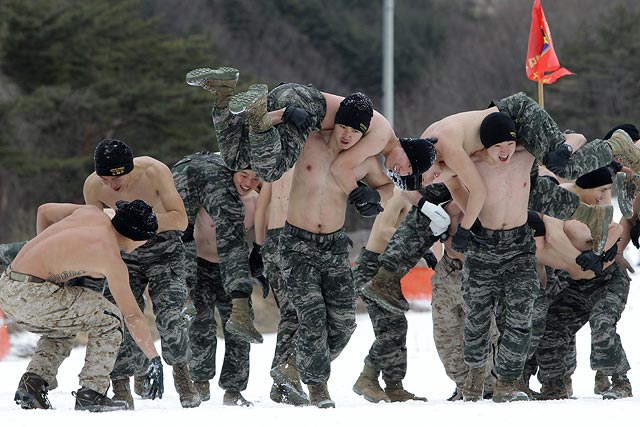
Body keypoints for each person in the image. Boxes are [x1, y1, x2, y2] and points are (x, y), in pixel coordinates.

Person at [185, 67, 437, 217]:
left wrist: (373, 196)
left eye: (406, 173)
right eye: (408, 165)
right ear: (407, 148)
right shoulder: (381, 136)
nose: (401, 171)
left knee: (236, 160)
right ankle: (262, 113)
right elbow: (340, 167)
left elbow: (385, 187)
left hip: (292, 97)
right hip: (303, 108)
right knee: (270, 171)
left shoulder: (379, 138)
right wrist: (358, 195)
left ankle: (223, 91)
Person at [276, 92, 393, 408]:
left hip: (334, 246)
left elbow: (387, 186)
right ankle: (318, 387)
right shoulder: (308, 141)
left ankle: (291, 368)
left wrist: (374, 198)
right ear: (335, 122)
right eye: (343, 127)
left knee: (343, 322)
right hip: (297, 243)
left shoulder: (363, 161)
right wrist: (284, 115)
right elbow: (266, 133)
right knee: (313, 316)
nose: (347, 135)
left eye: (355, 131)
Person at [416, 93, 640, 255]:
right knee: (531, 193)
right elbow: (455, 187)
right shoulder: (438, 162)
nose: (429, 181)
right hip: (504, 128)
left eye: (426, 177)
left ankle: (615, 145)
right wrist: (475, 223)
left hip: (518, 113)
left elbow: (477, 191)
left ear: (426, 162)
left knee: (562, 166)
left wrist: (466, 228)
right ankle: (591, 216)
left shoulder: (444, 147)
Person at [0, 201, 163, 412]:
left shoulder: (90, 212)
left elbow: (44, 210)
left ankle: (33, 384)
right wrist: (154, 358)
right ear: (138, 238)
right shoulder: (110, 257)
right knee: (110, 318)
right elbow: (132, 315)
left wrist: (50, 261)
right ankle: (91, 393)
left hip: (7, 287)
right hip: (34, 293)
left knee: (64, 324)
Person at [82, 139, 198, 409]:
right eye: (105, 179)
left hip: (164, 250)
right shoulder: (93, 186)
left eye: (117, 178)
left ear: (129, 169)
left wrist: (144, 220)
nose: (112, 185)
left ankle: (182, 374)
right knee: (118, 317)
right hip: (125, 252)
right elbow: (95, 228)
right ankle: (121, 383)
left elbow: (180, 219)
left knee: (170, 315)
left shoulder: (154, 171)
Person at [443, 112, 540, 403]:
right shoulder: (472, 163)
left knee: (521, 315)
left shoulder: (526, 156)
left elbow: (574, 138)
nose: (505, 151)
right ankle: (475, 377)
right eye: (497, 146)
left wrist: (564, 149)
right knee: (478, 316)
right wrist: (467, 221)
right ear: (485, 145)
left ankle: (508, 382)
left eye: (509, 144)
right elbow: (449, 180)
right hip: (483, 245)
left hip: (519, 247)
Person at [171, 151, 262, 407]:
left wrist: (260, 261)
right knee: (201, 328)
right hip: (200, 267)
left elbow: (260, 234)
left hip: (232, 272)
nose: (248, 183)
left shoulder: (255, 201)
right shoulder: (208, 193)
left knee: (239, 330)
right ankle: (200, 382)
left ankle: (234, 389)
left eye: (255, 178)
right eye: (243, 175)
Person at [535, 168, 632, 400]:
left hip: (608, 280)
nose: (604, 196)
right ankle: (554, 386)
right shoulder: (561, 199)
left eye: (608, 190)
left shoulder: (598, 203)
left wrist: (602, 252)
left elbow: (615, 229)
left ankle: (620, 381)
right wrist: (580, 259)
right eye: (601, 190)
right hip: (575, 283)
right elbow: (554, 237)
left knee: (602, 322)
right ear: (584, 188)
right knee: (551, 328)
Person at [352, 188, 431, 404]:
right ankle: (367, 377)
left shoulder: (418, 198)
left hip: (386, 270)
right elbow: (384, 230)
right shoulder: (400, 193)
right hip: (373, 268)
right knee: (393, 329)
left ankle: (394, 386)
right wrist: (420, 247)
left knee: (396, 327)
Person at [253, 167, 311, 406]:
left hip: (271, 242)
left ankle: (281, 381)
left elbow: (261, 207)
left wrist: (258, 248)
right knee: (309, 313)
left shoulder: (276, 167)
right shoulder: (311, 162)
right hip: (297, 239)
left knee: (289, 314)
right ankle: (288, 373)